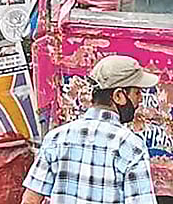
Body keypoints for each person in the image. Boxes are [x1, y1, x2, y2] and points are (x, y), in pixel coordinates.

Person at [22, 55, 158, 204]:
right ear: (118, 96)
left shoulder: (55, 138)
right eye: (137, 93)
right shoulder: (131, 147)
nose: (140, 99)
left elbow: (31, 200)